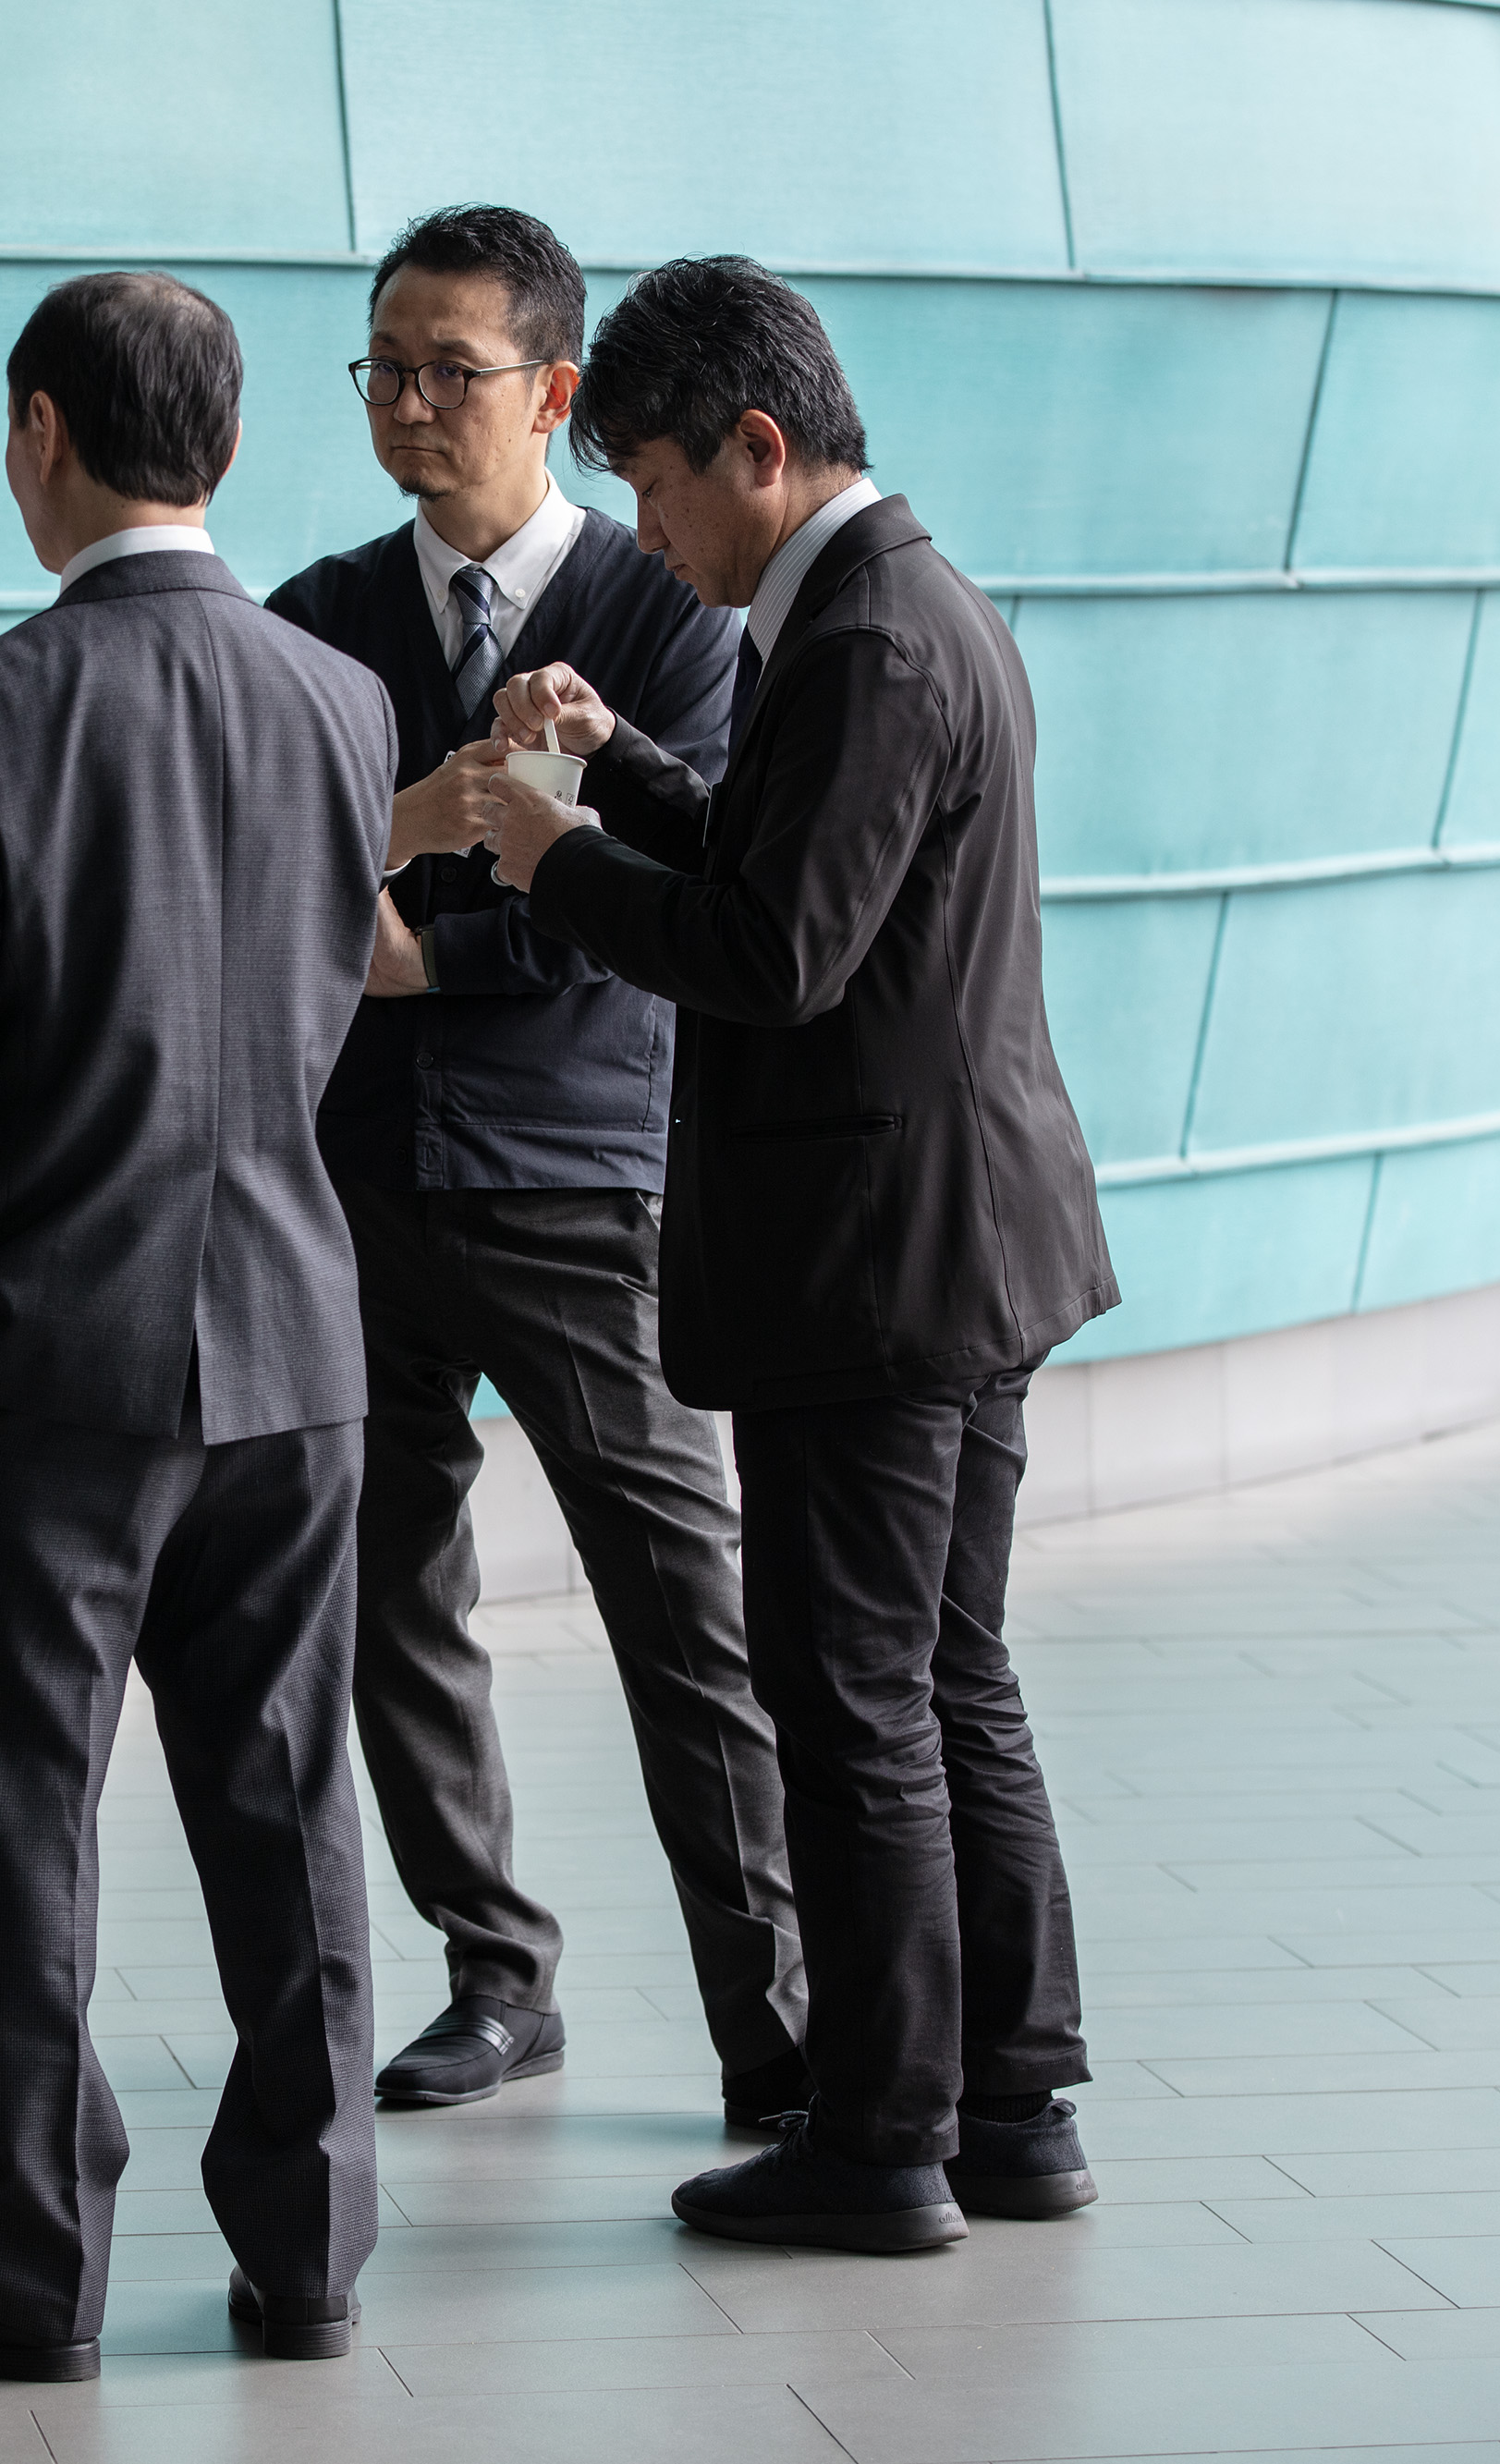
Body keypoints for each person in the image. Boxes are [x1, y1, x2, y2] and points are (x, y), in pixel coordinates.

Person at [0, 274, 391, 2380]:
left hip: (42, 1361)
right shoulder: (342, 699)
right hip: (297, 1346)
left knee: (23, 1818)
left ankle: (31, 2269)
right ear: (220, 442)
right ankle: (310, 2252)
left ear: (39, 429)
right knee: (289, 1805)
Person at [482, 255, 1112, 2253]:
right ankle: (1007, 2106)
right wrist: (620, 764)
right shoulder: (889, 607)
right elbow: (796, 858)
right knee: (944, 1673)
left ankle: (878, 2136)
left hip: (876, 1265)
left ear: (757, 447)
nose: (645, 534)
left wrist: (551, 859)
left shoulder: (864, 639)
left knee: (850, 1700)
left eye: (653, 484)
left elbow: (772, 953)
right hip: (956, 1239)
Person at [265, 203, 806, 2126]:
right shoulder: (315, 616)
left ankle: (780, 2024)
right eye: (383, 368)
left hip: (578, 1179)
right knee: (387, 1597)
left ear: (553, 391)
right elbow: (271, 871)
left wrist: (429, 949)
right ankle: (495, 1971)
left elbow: (662, 886)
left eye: (451, 370)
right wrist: (402, 910)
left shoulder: (666, 610)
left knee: (683, 1608)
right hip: (354, 1181)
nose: (408, 403)